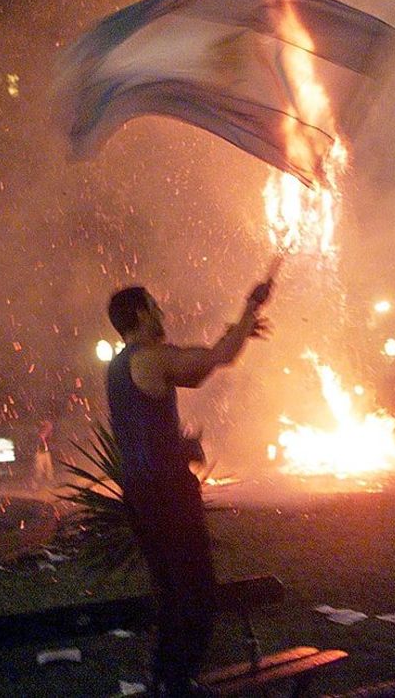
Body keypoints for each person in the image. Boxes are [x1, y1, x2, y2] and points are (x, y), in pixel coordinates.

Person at [106, 275, 272, 697]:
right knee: (197, 596)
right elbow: (219, 356)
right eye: (155, 305)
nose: (162, 311)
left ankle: (165, 682)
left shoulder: (121, 366)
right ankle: (178, 685)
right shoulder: (151, 358)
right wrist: (250, 305)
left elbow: (195, 377)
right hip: (166, 496)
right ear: (141, 314)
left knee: (173, 595)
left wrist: (181, 447)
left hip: (142, 494)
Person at [32, 420, 55, 489]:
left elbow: (49, 443)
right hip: (40, 453)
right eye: (48, 427)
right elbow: (36, 444)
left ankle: (50, 484)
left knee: (49, 469)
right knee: (39, 470)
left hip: (46, 453)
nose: (50, 429)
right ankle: (35, 485)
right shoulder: (38, 435)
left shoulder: (48, 436)